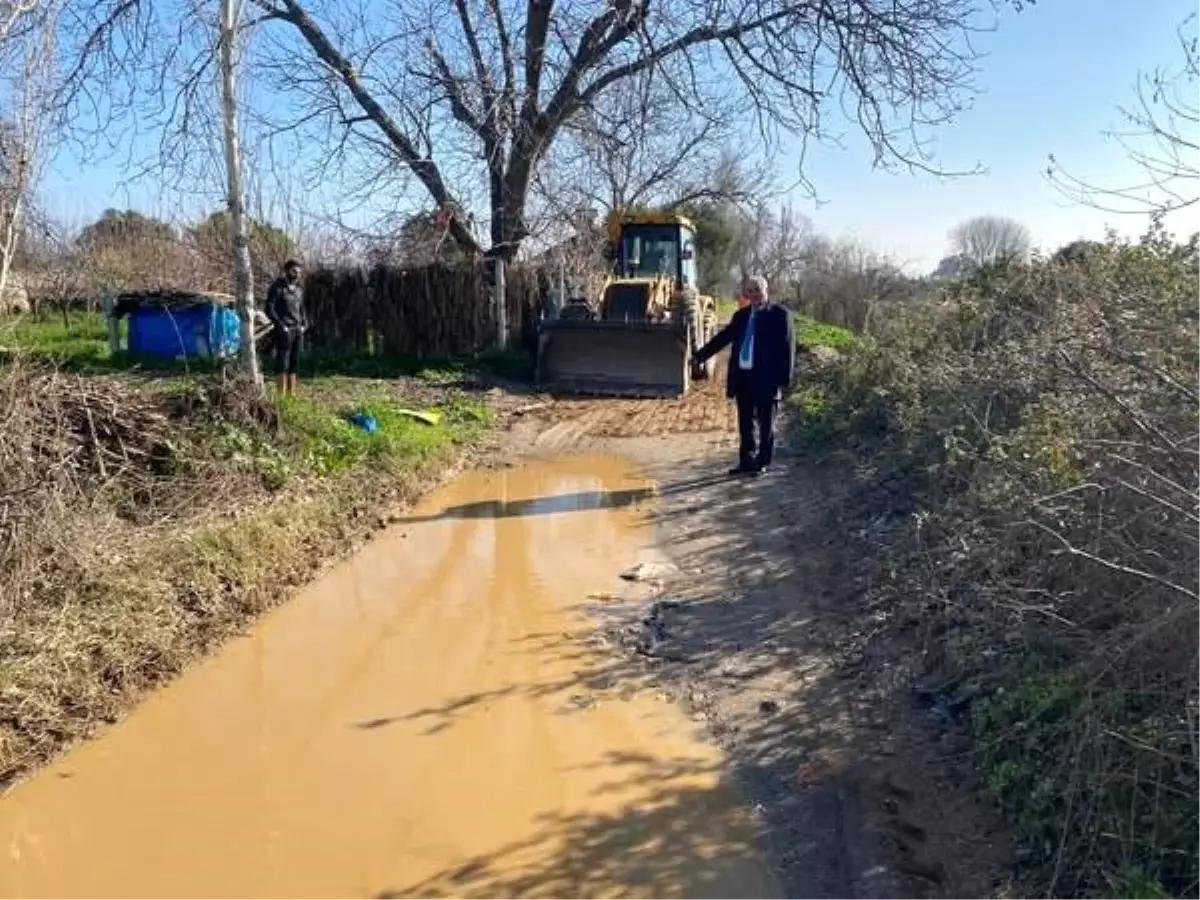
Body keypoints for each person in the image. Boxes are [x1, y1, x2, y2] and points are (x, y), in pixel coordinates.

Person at [693, 275, 795, 476]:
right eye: (750, 290)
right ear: (746, 293)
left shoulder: (780, 315)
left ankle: (762, 462)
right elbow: (724, 337)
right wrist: (701, 355)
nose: (754, 294)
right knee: (745, 423)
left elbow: (788, 347)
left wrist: (783, 379)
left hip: (766, 377)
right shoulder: (741, 316)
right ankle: (746, 461)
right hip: (743, 376)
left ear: (766, 291)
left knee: (766, 423)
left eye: (757, 289)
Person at [265, 259, 307, 396]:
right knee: (283, 363)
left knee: (294, 363)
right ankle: (281, 396)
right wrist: (281, 325)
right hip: (284, 330)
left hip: (297, 330)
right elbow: (269, 308)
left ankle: (291, 395)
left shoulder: (299, 289)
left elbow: (301, 309)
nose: (297, 274)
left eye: (299, 272)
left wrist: (304, 324)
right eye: (294, 271)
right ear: (287, 271)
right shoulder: (277, 288)